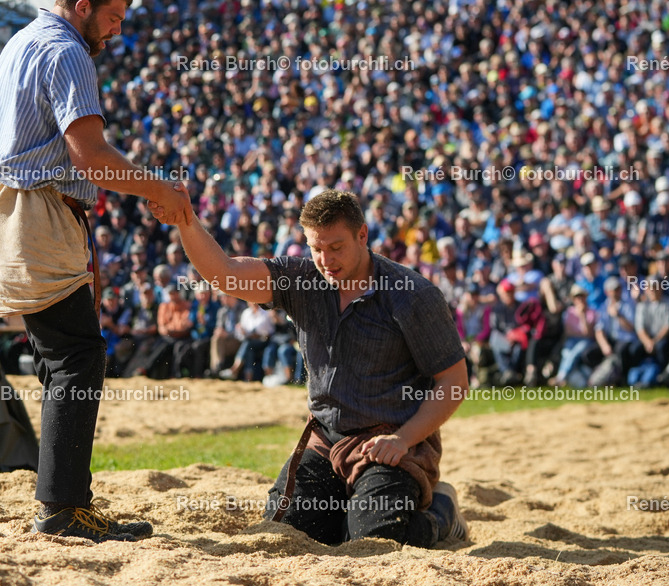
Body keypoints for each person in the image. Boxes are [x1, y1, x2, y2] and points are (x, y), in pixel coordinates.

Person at [0, 0, 188, 543]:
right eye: (113, 17)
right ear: (83, 6)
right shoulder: (67, 51)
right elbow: (90, 156)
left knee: (58, 357)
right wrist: (158, 186)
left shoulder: (22, 39)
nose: (116, 31)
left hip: (9, 208)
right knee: (77, 358)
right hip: (34, 211)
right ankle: (64, 507)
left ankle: (60, 497)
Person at [155, 188, 469, 547]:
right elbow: (226, 274)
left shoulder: (411, 294)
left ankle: (441, 512)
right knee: (285, 532)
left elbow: (454, 382)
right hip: (325, 440)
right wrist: (187, 222)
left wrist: (403, 439)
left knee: (377, 543)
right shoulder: (302, 279)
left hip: (388, 442)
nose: (326, 259)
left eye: (336, 247)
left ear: (362, 235)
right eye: (316, 248)